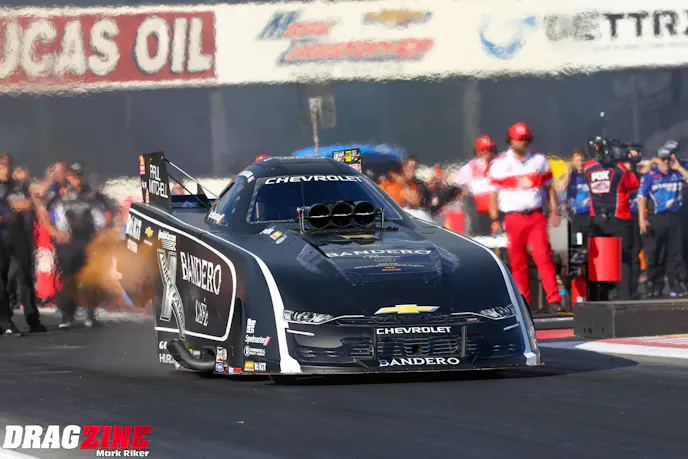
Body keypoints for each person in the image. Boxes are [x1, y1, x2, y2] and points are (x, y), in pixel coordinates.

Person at [488, 122, 563, 313]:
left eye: (525, 139)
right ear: (511, 140)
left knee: (543, 257)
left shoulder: (539, 160)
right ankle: (523, 302)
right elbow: (493, 195)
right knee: (517, 261)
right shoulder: (500, 163)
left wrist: (554, 211)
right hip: (513, 217)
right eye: (519, 139)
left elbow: (550, 188)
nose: (522, 142)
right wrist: (494, 219)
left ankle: (554, 299)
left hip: (536, 215)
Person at [37, 162, 115, 328]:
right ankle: (67, 315)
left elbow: (108, 211)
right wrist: (54, 231)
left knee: (89, 277)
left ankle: (90, 313)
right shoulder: (59, 193)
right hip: (67, 242)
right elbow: (43, 211)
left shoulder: (91, 193)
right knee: (67, 278)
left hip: (87, 241)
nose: (76, 179)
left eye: (79, 175)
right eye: (73, 175)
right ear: (68, 176)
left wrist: (102, 231)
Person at [583, 137, 640, 300]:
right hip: (619, 217)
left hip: (596, 218)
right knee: (623, 257)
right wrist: (632, 164)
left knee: (598, 258)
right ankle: (625, 295)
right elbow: (634, 185)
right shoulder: (619, 168)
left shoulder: (588, 167)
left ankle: (598, 296)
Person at [0, 154, 46, 335]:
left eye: (7, 165)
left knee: (25, 277)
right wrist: (12, 207)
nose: (5, 169)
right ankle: (5, 320)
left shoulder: (18, 186)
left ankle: (32, 319)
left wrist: (11, 206)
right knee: (3, 280)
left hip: (19, 236)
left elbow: (29, 203)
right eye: (2, 165)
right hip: (1, 237)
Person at [637, 146, 688, 298]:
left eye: (668, 159)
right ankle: (653, 285)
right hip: (656, 217)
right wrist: (641, 220)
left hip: (675, 217)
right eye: (663, 159)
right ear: (657, 160)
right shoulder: (650, 175)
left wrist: (679, 167)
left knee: (675, 253)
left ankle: (675, 284)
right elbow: (642, 198)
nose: (666, 162)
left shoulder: (677, 172)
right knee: (654, 253)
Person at [455, 135, 497, 236]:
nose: (487, 153)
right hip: (478, 213)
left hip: (497, 211)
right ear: (477, 151)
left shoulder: (499, 165)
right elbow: (459, 188)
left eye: (490, 149)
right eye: (483, 150)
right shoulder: (469, 167)